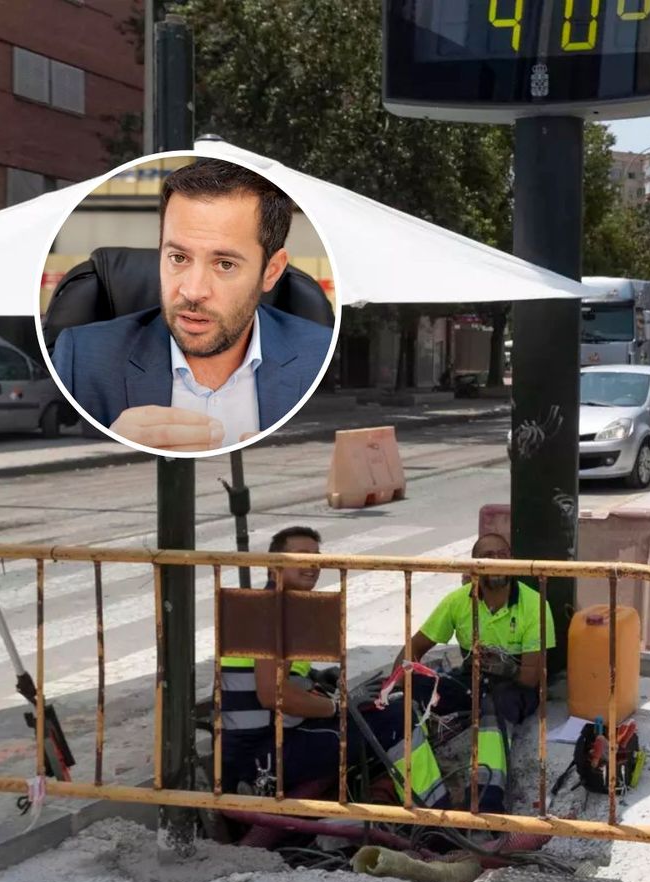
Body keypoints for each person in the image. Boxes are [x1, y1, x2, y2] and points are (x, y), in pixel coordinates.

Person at [51, 158, 333, 453]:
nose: (193, 291)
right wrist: (112, 444)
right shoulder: (81, 361)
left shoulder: (318, 357)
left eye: (225, 264)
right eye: (178, 258)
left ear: (271, 271)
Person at [218, 526, 406, 798]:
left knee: (378, 715)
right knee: (398, 718)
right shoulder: (271, 611)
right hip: (262, 752)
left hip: (266, 742)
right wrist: (338, 706)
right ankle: (428, 814)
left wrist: (315, 678)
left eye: (316, 556)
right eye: (301, 555)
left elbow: (273, 673)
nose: (312, 564)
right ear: (274, 566)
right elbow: (272, 693)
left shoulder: (276, 605)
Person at [393, 533, 555, 813]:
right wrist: (397, 683)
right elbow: (415, 648)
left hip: (515, 687)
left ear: (513, 561)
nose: (495, 562)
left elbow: (532, 677)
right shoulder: (458, 601)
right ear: (473, 566)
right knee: (407, 695)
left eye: (502, 555)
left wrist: (505, 667)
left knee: (492, 707)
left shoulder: (533, 604)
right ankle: (424, 804)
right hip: (471, 680)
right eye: (487, 556)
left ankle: (485, 801)